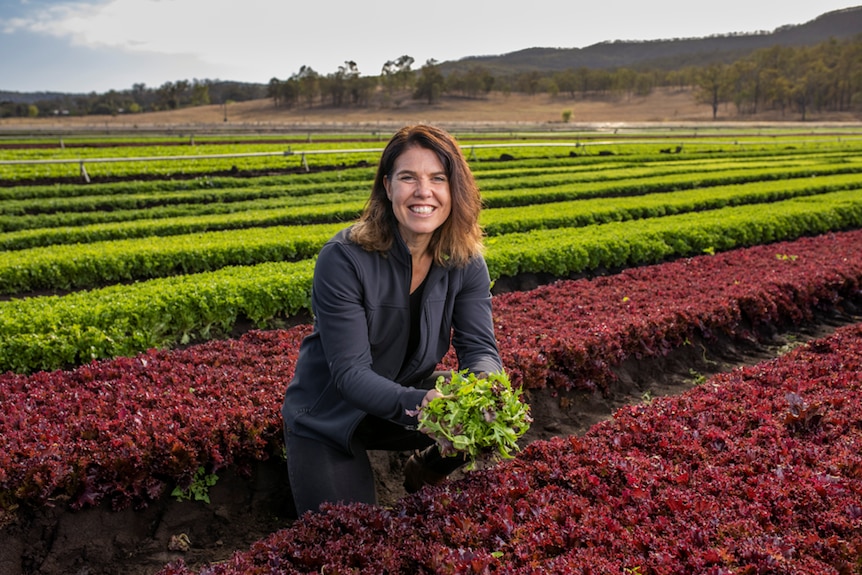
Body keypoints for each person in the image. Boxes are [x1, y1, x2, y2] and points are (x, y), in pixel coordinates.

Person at [281, 124, 502, 515]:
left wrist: (485, 388)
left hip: (402, 400)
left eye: (437, 178)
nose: (423, 191)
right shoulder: (344, 258)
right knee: (349, 537)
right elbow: (349, 374)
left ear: (455, 189)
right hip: (330, 417)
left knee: (492, 405)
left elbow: (480, 348)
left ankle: (427, 469)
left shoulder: (465, 260)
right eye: (408, 178)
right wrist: (424, 406)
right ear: (387, 187)